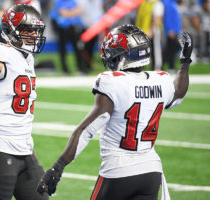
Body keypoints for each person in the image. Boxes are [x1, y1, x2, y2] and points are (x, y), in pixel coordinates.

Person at [37, 24, 193, 199]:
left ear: (125, 55)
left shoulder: (113, 82)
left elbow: (86, 130)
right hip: (151, 171)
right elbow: (179, 93)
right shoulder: (161, 80)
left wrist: (57, 167)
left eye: (114, 51)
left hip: (118, 171)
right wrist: (185, 61)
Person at [0, 4, 48, 200]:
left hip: (25, 147)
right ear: (11, 31)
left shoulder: (27, 57)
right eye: (27, 30)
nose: (33, 34)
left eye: (35, 30)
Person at [50, 0, 88, 74]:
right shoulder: (58, 1)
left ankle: (80, 68)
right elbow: (63, 13)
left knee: (78, 48)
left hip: (73, 28)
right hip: (63, 28)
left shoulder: (72, 1)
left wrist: (69, 13)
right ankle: (65, 70)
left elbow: (79, 11)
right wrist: (73, 12)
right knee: (63, 50)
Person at [136, 0, 164, 71]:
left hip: (153, 31)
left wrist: (151, 30)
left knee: (155, 49)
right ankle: (140, 67)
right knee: (142, 51)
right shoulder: (144, 3)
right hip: (143, 31)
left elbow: (157, 18)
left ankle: (157, 67)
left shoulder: (157, 4)